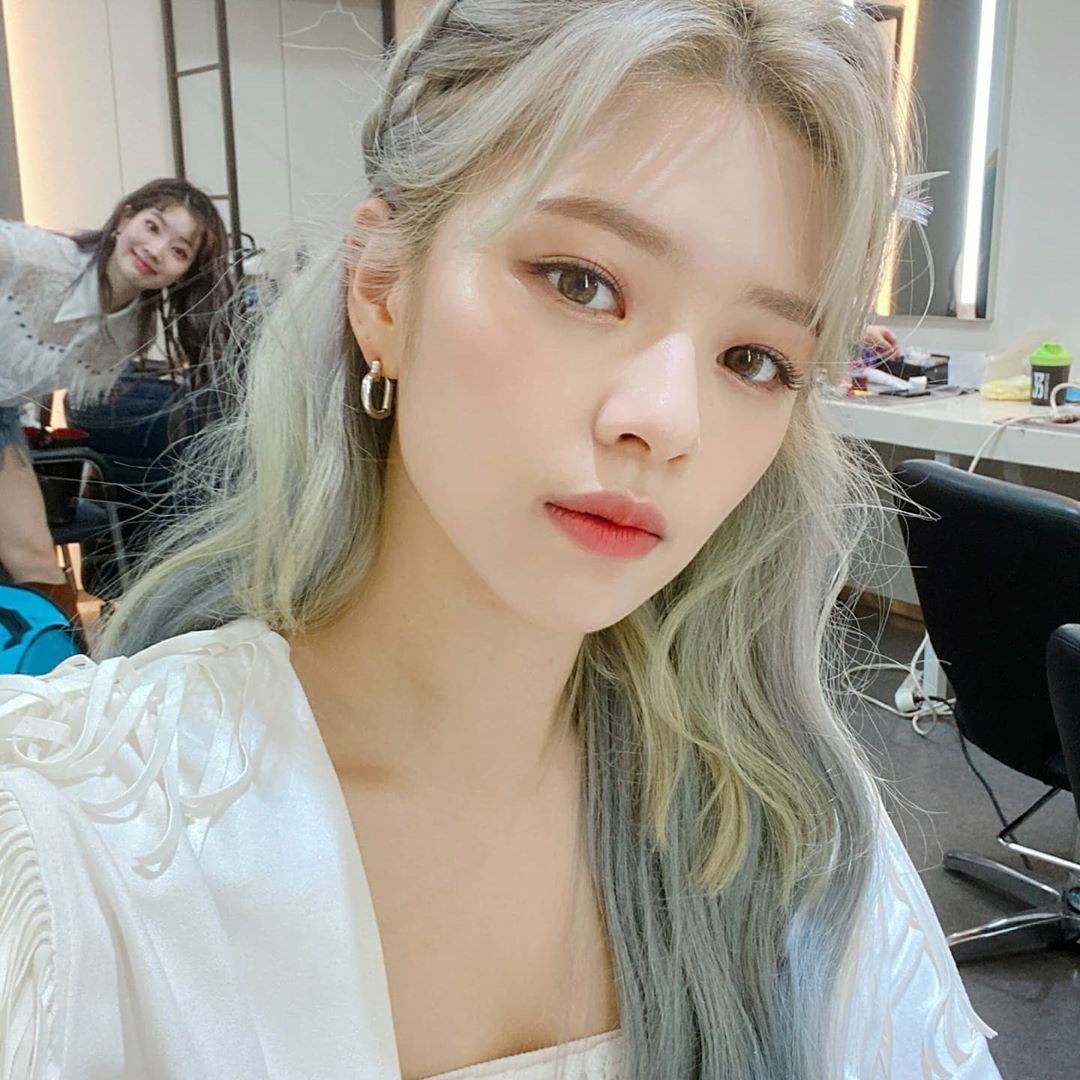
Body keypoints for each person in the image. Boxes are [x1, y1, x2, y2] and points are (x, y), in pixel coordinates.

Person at [0, 3, 1001, 1078]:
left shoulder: (797, 840)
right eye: (582, 283)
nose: (667, 421)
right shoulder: (71, 852)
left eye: (754, 359)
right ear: (383, 288)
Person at [0, 178, 231, 617]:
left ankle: (68, 660)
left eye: (179, 251)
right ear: (125, 218)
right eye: (152, 226)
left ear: (183, 273)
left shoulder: (126, 333)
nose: (156, 250)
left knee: (36, 559)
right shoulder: (37, 255)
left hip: (3, 419)